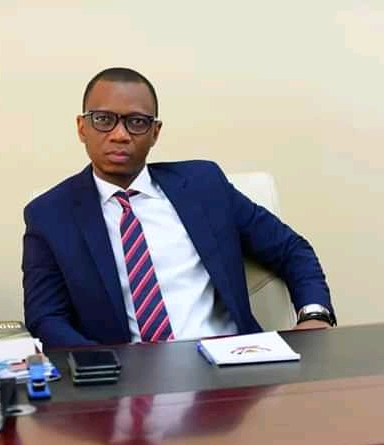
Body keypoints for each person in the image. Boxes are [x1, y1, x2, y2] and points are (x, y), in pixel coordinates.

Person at [22, 67, 335, 348]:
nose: (120, 135)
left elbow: (291, 249)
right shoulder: (50, 215)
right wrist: (104, 366)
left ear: (155, 132)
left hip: (233, 366)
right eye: (104, 120)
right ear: (82, 127)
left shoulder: (204, 185)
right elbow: (46, 319)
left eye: (137, 122)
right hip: (129, 379)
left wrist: (314, 314)